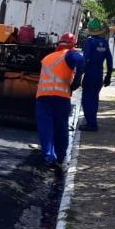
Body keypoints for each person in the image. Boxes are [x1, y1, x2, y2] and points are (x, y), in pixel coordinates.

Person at [36, 32, 85, 168]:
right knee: (60, 126)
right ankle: (60, 156)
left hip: (42, 98)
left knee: (45, 128)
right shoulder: (69, 54)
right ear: (72, 45)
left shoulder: (47, 58)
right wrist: (77, 81)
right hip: (60, 97)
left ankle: (49, 156)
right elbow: (81, 60)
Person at [79, 18, 113, 131]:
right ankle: (92, 122)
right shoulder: (105, 42)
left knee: (86, 99)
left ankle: (91, 124)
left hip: (90, 74)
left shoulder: (90, 42)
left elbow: (85, 60)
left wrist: (79, 75)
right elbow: (109, 59)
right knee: (94, 99)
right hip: (99, 73)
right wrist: (108, 75)